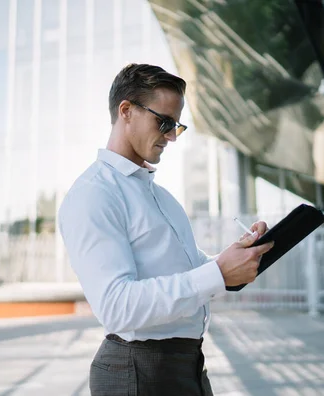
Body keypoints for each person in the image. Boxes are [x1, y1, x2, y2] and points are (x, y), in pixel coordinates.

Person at [58, 63, 274, 396]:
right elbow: (116, 306)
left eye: (177, 126)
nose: (172, 136)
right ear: (126, 111)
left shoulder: (161, 197)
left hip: (185, 365)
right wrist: (217, 272)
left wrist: (236, 258)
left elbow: (191, 270)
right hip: (138, 373)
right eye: (165, 122)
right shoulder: (94, 193)